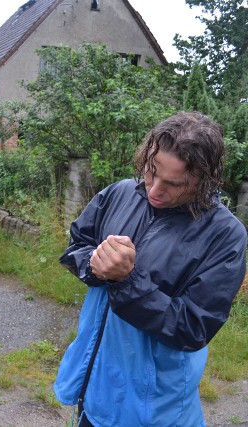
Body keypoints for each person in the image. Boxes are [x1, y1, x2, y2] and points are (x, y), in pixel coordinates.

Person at [54, 112, 247, 427]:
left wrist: (127, 281)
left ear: (205, 180)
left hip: (154, 406)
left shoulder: (225, 236)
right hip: (97, 381)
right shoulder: (119, 194)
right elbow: (76, 246)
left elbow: (192, 327)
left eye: (174, 184)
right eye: (150, 171)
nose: (155, 190)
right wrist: (95, 264)